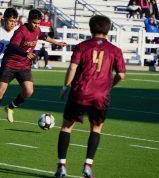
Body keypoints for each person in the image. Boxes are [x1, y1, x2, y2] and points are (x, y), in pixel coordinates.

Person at [54, 15, 126, 178]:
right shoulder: (115, 50)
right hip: (101, 96)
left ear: (91, 28)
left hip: (80, 92)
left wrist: (65, 86)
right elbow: (121, 75)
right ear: (108, 30)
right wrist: (108, 86)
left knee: (66, 127)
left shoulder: (82, 46)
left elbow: (72, 68)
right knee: (96, 128)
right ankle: (87, 166)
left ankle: (61, 166)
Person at [0, 9, 66, 126]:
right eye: (35, 23)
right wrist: (25, 54)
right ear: (29, 20)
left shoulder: (37, 29)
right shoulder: (21, 31)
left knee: (29, 91)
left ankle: (10, 108)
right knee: (1, 90)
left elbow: (43, 36)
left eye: (38, 23)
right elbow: (12, 47)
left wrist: (56, 43)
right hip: (10, 64)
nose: (36, 25)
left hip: (24, 65)